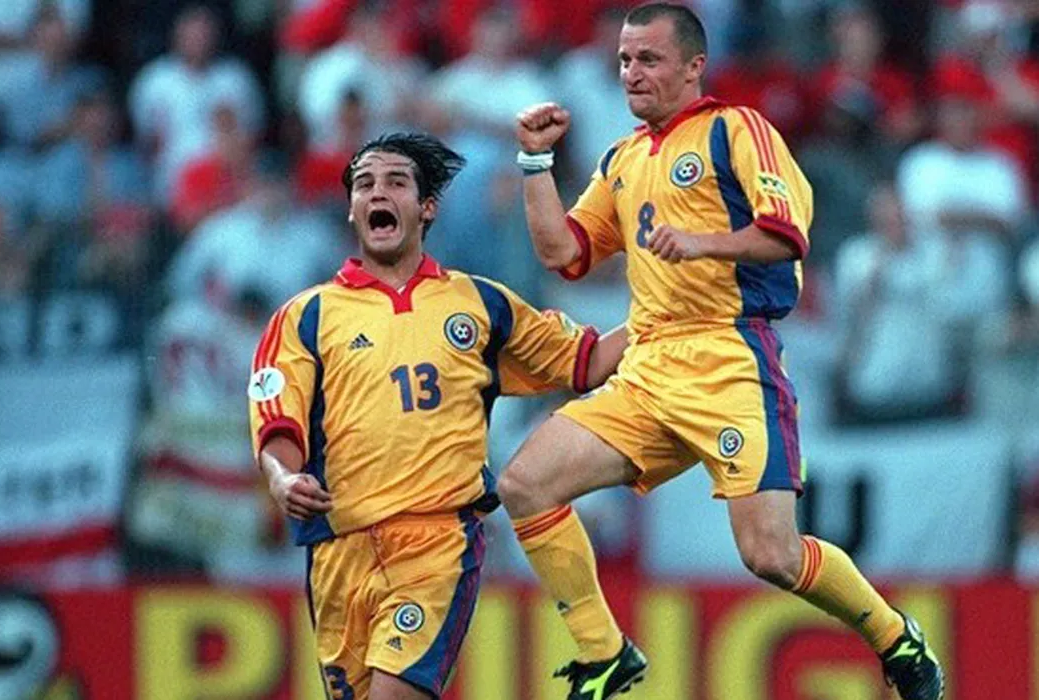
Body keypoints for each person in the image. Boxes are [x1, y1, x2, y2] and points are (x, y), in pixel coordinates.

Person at [500, 4, 944, 700]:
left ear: (693, 66)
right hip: (648, 366)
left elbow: (786, 235)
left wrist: (702, 241)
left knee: (771, 554)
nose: (631, 73)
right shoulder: (622, 158)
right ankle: (604, 650)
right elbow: (566, 254)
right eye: (624, 60)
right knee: (525, 483)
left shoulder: (737, 130)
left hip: (731, 358)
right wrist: (534, 161)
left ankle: (895, 637)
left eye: (648, 59)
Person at [247, 132, 628, 700]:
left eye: (396, 182)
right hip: (338, 551)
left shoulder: (479, 303)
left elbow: (586, 360)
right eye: (365, 184)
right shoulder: (306, 317)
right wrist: (282, 479)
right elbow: (281, 421)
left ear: (426, 207)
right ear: (352, 209)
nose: (379, 192)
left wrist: (665, 312)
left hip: (437, 543)